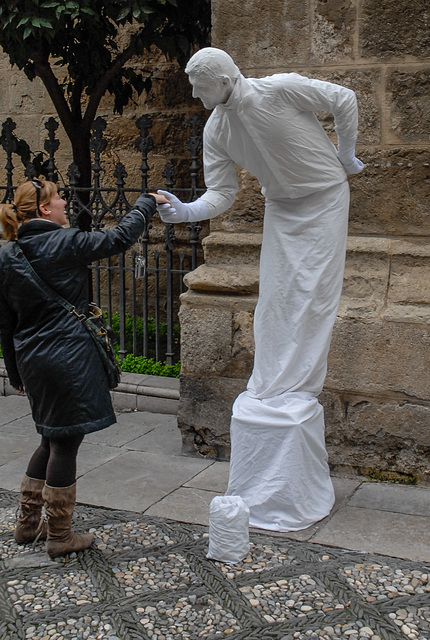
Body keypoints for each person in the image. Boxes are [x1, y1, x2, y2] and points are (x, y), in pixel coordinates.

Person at [156, 47, 364, 532]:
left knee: (312, 300)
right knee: (274, 301)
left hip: (325, 198)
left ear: (224, 77)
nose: (193, 94)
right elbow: (222, 194)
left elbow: (344, 98)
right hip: (284, 211)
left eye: (199, 84)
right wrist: (183, 212)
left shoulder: (279, 86)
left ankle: (296, 386)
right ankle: (273, 386)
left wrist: (346, 155)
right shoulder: (216, 129)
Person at [0, 179, 165, 558]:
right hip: (68, 356)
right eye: (58, 198)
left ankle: (27, 524)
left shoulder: (5, 255)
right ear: (43, 210)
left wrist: (14, 372)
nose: (65, 202)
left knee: (49, 438)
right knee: (65, 442)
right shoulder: (64, 242)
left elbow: (5, 323)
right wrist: (145, 203)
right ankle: (59, 535)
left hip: (32, 359)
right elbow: (119, 239)